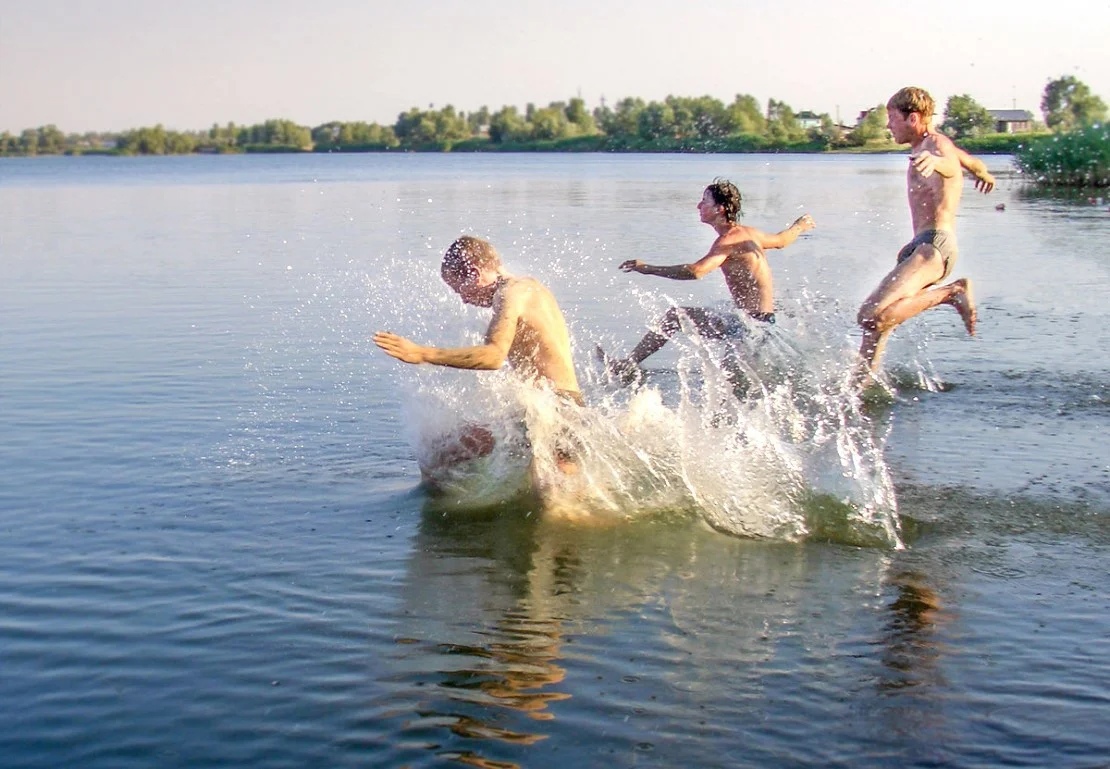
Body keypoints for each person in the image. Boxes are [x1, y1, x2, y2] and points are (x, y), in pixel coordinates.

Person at [373, 235, 584, 477]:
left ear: (473, 273)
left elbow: (493, 356)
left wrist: (422, 353)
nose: (463, 299)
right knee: (441, 453)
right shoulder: (527, 288)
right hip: (551, 408)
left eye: (458, 289)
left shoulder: (512, 294)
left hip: (556, 410)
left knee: (561, 502)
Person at [596, 178, 815, 383]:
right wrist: (799, 226)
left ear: (719, 209)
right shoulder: (749, 233)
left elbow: (696, 271)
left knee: (676, 317)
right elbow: (782, 240)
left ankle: (627, 365)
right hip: (765, 324)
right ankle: (628, 365)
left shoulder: (728, 241)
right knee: (734, 384)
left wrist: (648, 269)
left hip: (749, 328)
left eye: (704, 201)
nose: (698, 206)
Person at [856, 86, 995, 379]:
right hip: (919, 247)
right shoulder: (929, 146)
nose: (888, 125)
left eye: (892, 118)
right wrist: (983, 173)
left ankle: (951, 293)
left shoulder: (935, 146)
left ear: (913, 118)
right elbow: (970, 163)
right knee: (878, 327)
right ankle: (860, 389)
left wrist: (937, 164)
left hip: (934, 247)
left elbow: (948, 163)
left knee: (869, 316)